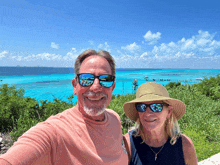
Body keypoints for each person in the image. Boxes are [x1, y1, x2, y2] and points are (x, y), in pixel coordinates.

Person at [0, 49, 128, 165]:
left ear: (112, 87)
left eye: (105, 79)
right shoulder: (55, 132)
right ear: (75, 86)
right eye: (86, 79)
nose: (95, 87)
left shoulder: (114, 118)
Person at [123, 82, 197, 165]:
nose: (147, 113)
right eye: (141, 106)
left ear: (169, 111)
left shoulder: (185, 145)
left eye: (156, 107)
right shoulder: (128, 144)